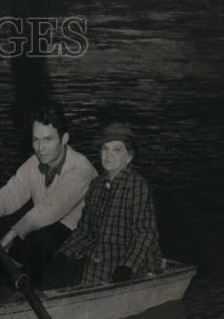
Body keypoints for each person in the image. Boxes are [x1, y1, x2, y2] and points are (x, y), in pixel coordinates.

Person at [0, 103, 96, 294]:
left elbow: (51, 209)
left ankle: (31, 294)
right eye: (35, 140)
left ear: (64, 139)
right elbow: (11, 192)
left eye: (48, 140)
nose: (40, 148)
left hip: (77, 242)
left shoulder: (81, 169)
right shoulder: (34, 163)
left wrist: (12, 235)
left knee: (41, 236)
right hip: (44, 230)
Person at [50, 122, 163, 288]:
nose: (109, 155)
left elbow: (145, 234)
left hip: (130, 260)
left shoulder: (137, 185)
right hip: (101, 255)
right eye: (105, 148)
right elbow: (85, 230)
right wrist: (64, 253)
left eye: (117, 150)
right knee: (54, 274)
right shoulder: (96, 185)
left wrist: (127, 266)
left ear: (129, 156)